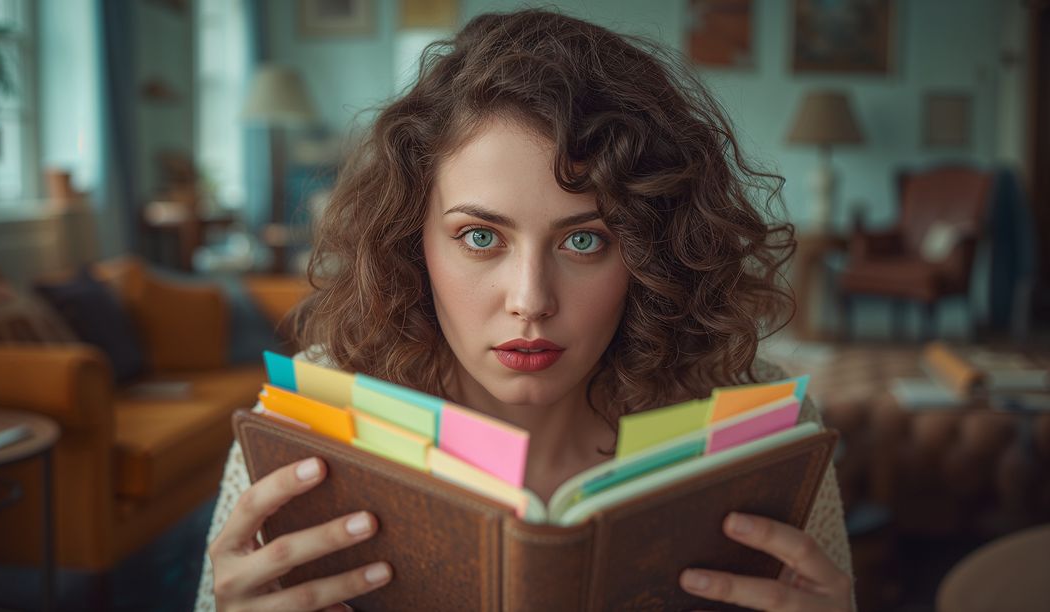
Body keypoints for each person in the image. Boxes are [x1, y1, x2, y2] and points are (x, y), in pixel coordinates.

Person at [197, 8, 854, 611]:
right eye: (480, 238)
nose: (531, 301)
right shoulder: (306, 429)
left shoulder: (764, 422)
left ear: (652, 250)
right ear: (411, 240)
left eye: (584, 240)